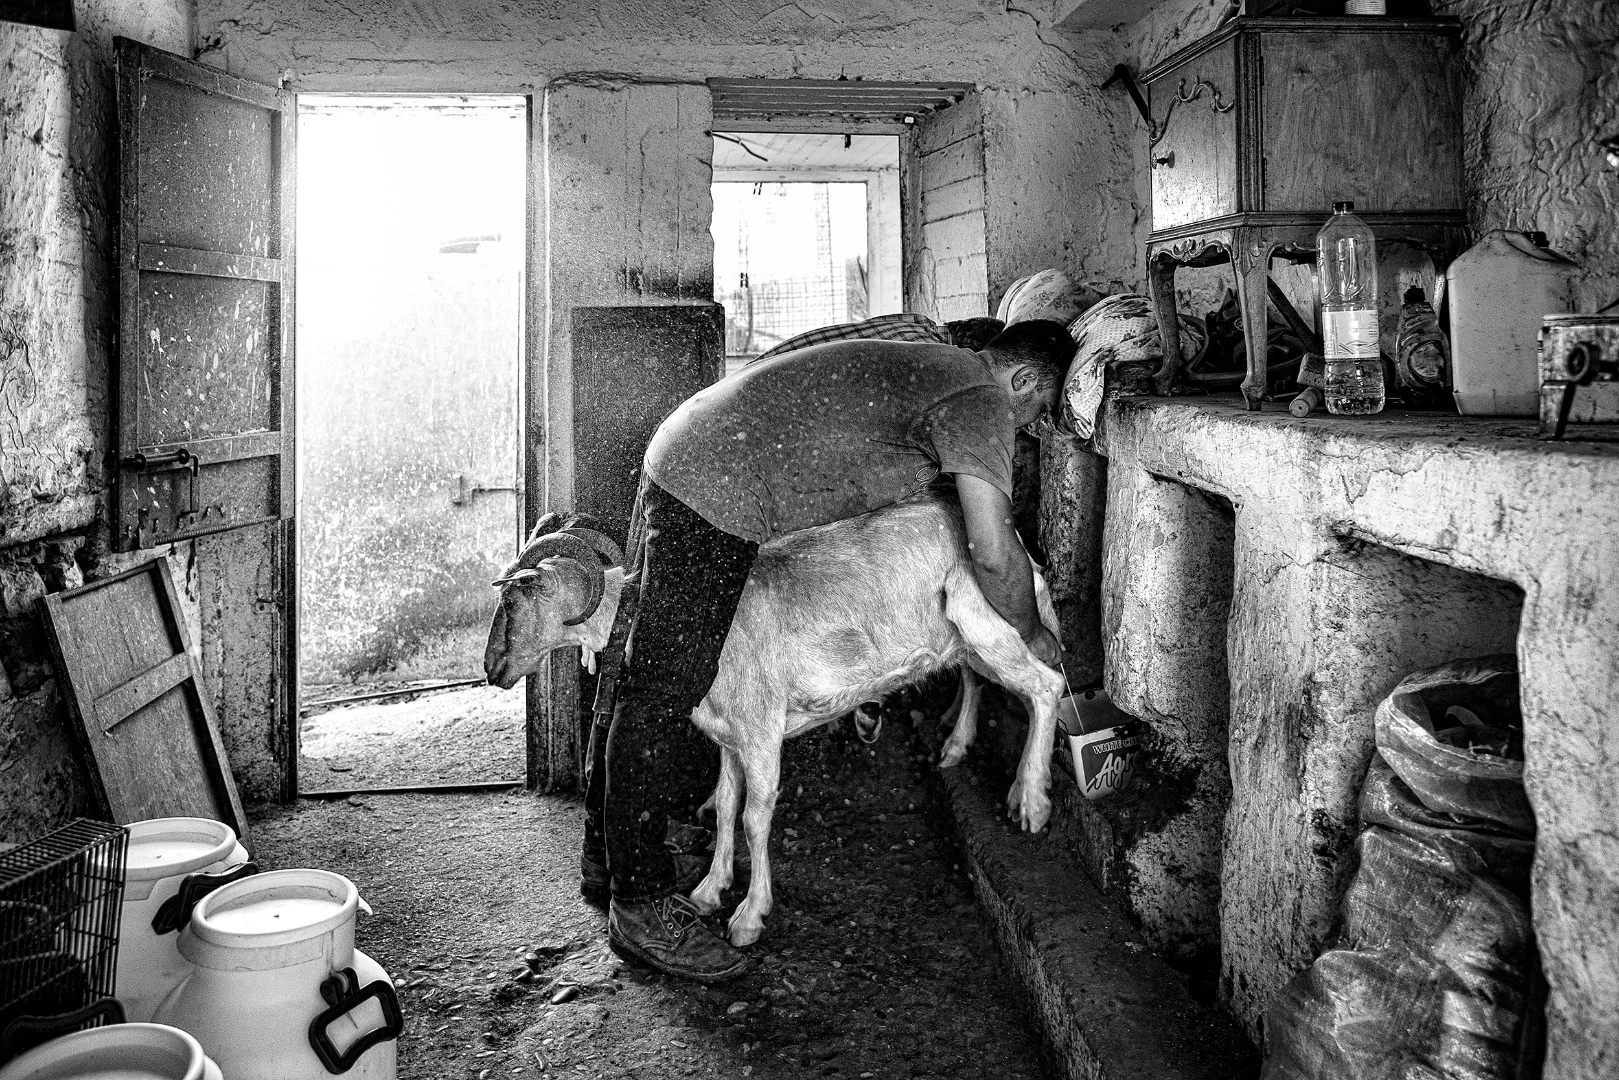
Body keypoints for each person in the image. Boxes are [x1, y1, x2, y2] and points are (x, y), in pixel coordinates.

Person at [585, 319, 1077, 983]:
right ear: (1020, 380)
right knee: (667, 687)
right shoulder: (981, 399)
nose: (1026, 429)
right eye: (1038, 409)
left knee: (646, 675)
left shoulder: (935, 367)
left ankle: (608, 859)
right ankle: (638, 905)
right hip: (714, 485)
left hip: (690, 451)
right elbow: (991, 551)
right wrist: (1031, 630)